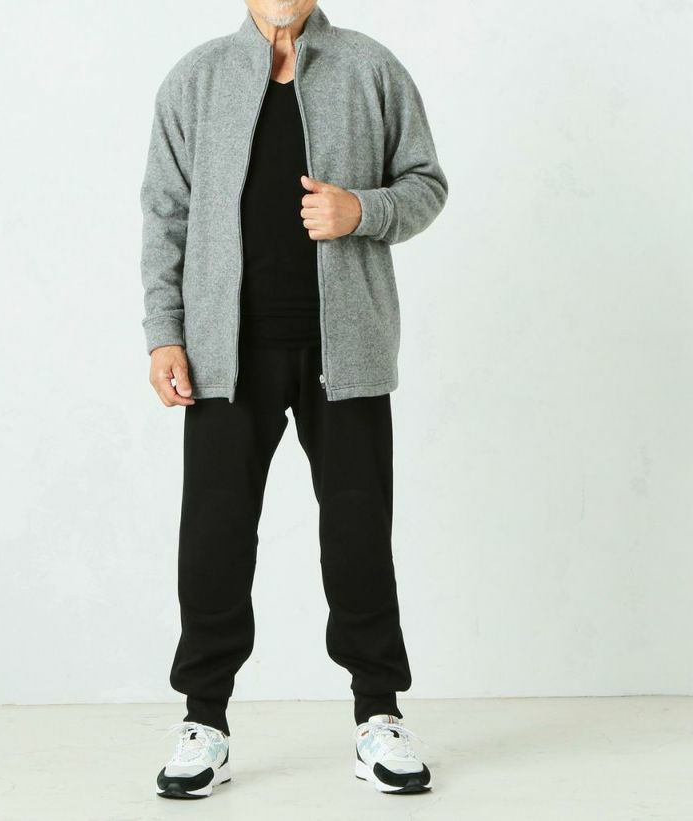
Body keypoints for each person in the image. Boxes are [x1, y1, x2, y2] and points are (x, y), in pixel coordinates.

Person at [140, 0, 448, 799]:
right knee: (213, 539)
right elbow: (165, 214)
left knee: (358, 536)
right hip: (225, 356)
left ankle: (378, 713)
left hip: (346, 354)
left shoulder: (370, 68)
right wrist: (165, 333)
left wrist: (362, 210)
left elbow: (426, 184)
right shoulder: (197, 80)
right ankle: (204, 720)